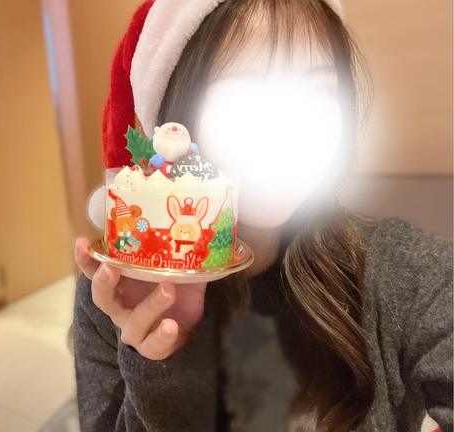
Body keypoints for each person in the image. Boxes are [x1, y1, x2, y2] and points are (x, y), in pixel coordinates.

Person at [71, 0, 453, 431]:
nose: (288, 127)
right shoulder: (117, 297)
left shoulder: (402, 272)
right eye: (243, 92)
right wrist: (160, 365)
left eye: (319, 91)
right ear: (175, 122)